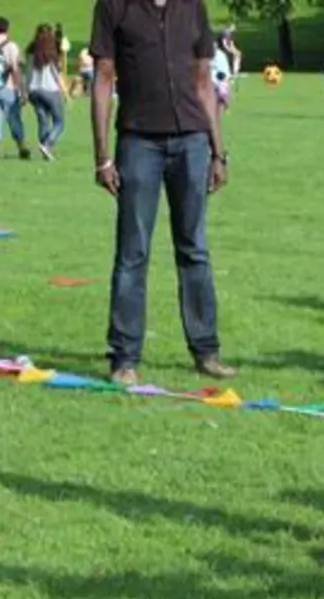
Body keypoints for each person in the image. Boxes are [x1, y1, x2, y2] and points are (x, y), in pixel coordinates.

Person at [91, 0, 234, 385]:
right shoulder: (114, 7)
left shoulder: (192, 6)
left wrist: (218, 153)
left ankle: (206, 352)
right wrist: (103, 157)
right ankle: (124, 358)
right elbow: (103, 77)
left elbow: (203, 81)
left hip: (192, 141)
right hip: (139, 141)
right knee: (132, 253)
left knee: (195, 249)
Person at [0, 16, 29, 160]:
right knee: (14, 118)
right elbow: (15, 69)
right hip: (7, 87)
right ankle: (22, 146)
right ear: (7, 28)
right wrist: (21, 89)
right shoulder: (11, 45)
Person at [25, 23, 66, 160]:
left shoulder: (31, 52)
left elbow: (28, 73)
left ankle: (44, 149)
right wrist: (65, 92)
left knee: (43, 121)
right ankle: (47, 145)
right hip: (50, 90)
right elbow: (56, 75)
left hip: (34, 90)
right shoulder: (50, 52)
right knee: (59, 122)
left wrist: (25, 91)